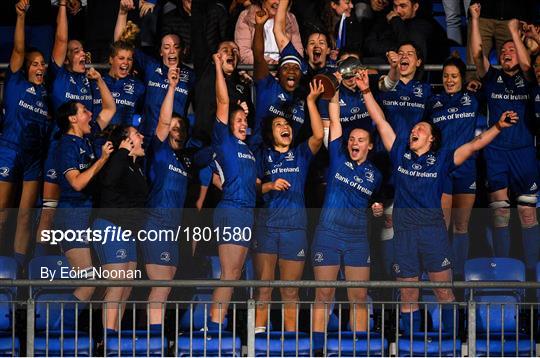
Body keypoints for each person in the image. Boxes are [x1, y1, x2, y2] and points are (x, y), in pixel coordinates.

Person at [356, 67, 518, 336]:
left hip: (433, 233)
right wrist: (365, 91)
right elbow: (382, 122)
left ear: (431, 139)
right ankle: (411, 347)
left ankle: (451, 345)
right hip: (405, 233)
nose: (414, 131)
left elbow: (476, 144)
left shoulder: (443, 158)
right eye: (414, 129)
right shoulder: (399, 153)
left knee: (443, 291)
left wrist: (498, 126)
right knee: (408, 294)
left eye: (420, 128)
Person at [311, 77, 383, 351]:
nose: (354, 142)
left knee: (359, 297)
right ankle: (318, 351)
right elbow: (335, 116)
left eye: (360, 140)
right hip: (328, 235)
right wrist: (336, 86)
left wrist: (377, 210)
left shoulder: (375, 175)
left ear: (370, 146)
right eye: (352, 139)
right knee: (324, 294)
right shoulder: (338, 158)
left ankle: (359, 349)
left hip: (357, 239)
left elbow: (375, 205)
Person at [471, 4, 540, 273]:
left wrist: (513, 32)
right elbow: (478, 55)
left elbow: (526, 63)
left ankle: (533, 276)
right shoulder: (492, 77)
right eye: (503, 51)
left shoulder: (529, 77)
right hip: (497, 152)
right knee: (500, 214)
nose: (506, 53)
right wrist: (475, 19)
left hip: (524, 152)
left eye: (511, 49)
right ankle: (503, 271)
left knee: (527, 214)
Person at [254, 79, 324, 332]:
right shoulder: (263, 155)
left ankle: (291, 342)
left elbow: (318, 135)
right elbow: (255, 188)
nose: (285, 127)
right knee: (264, 288)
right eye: (279, 124)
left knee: (290, 291)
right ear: (270, 132)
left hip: (295, 230)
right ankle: (258, 341)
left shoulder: (301, 154)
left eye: (287, 124)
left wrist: (310, 102)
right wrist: (270, 186)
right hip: (268, 227)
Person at [54, 68, 116, 326]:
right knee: (89, 282)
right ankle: (54, 332)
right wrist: (101, 161)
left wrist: (99, 79)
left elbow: (110, 109)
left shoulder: (88, 137)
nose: (90, 114)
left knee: (100, 282)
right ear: (72, 119)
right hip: (71, 218)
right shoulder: (66, 146)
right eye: (83, 111)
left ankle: (71, 333)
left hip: (87, 218)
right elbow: (77, 183)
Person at [36, 0, 94, 258]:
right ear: (67, 56)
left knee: (79, 212)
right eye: (76, 50)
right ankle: (37, 265)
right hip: (58, 148)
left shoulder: (89, 80)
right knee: (49, 210)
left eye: (83, 50)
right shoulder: (58, 75)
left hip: (83, 151)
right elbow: (61, 40)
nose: (82, 53)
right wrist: (62, 5)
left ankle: (70, 259)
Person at [208, 52, 258, 330]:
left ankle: (220, 322)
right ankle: (214, 327)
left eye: (244, 120)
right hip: (232, 211)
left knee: (235, 273)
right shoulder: (224, 141)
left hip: (246, 213)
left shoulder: (248, 148)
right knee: (229, 274)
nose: (242, 123)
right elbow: (223, 101)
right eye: (237, 119)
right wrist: (218, 65)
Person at [0, 0, 49, 269]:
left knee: (24, 215)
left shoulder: (45, 95)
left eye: (42, 64)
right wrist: (20, 16)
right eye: (34, 64)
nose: (40, 67)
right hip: (9, 149)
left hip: (33, 159)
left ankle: (17, 274)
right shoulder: (16, 80)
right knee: (3, 214)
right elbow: (19, 49)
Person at [376, 41, 431, 278]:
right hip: (384, 162)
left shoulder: (426, 91)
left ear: (418, 62)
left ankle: (410, 277)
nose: (405, 57)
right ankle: (389, 280)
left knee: (411, 222)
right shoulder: (386, 84)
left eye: (410, 54)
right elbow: (384, 84)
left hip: (412, 166)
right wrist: (393, 69)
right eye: (401, 53)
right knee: (387, 222)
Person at [142, 67, 192, 330]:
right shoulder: (159, 151)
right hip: (155, 224)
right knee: (161, 287)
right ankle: (154, 342)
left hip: (173, 229)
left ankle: (157, 335)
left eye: (179, 126)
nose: (175, 129)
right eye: (171, 126)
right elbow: (162, 124)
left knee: (168, 283)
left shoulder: (185, 160)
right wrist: (172, 87)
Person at [427, 56, 480, 278]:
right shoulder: (433, 102)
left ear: (463, 78)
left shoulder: (474, 98)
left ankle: (458, 276)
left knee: (461, 226)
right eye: (446, 76)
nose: (449, 80)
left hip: (467, 169)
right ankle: (441, 272)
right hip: (442, 170)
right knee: (441, 225)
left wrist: (477, 84)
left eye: (454, 76)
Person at [92, 123, 146, 334]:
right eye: (137, 134)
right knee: (116, 285)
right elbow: (109, 181)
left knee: (126, 286)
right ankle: (107, 339)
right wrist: (122, 150)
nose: (142, 137)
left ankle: (114, 335)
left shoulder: (136, 166)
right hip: (111, 225)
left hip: (129, 230)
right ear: (127, 140)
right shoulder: (116, 159)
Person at [114, 0, 195, 138]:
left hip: (173, 139)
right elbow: (121, 46)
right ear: (160, 51)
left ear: (183, 51)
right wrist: (123, 13)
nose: (171, 51)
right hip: (147, 136)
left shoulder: (191, 75)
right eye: (167, 47)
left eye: (176, 47)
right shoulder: (150, 66)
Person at [251, 9, 306, 151]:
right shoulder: (268, 86)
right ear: (278, 73)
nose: (291, 71)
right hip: (260, 153)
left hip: (289, 160)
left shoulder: (305, 97)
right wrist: (259, 26)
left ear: (301, 74)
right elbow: (258, 56)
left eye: (295, 68)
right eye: (286, 68)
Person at [92, 41, 145, 127]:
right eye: (121, 58)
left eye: (129, 59)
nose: (126, 62)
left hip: (124, 138)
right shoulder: (95, 83)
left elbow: (143, 114)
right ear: (111, 60)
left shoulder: (138, 86)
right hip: (98, 137)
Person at [235, 0, 302, 64]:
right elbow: (244, 54)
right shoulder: (246, 16)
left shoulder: (290, 18)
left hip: (286, 71)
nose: (278, 2)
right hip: (257, 71)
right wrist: (275, 65)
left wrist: (285, 65)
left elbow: (298, 52)